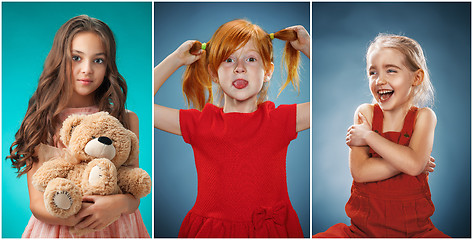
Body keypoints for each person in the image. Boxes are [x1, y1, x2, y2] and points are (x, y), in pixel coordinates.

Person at [154, 19, 310, 237]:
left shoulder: (280, 120)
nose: (239, 68)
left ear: (268, 71)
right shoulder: (199, 124)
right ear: (214, 73)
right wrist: (176, 59)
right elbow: (138, 103)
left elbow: (333, 99)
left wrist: (307, 46)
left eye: (251, 59)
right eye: (229, 60)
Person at [7, 15, 149, 238]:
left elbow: (134, 194)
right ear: (60, 60)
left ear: (108, 65)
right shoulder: (44, 120)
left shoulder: (125, 120)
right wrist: (84, 215)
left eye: (98, 60)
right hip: (62, 230)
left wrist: (116, 205)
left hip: (118, 229)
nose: (87, 69)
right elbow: (37, 204)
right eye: (76, 58)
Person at [314, 34, 449, 238]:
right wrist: (412, 161)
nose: (380, 80)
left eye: (391, 70)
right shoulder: (365, 113)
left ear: (416, 77)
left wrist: (369, 137)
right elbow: (360, 172)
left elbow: (413, 165)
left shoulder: (425, 117)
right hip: (362, 232)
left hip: (415, 232)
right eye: (373, 72)